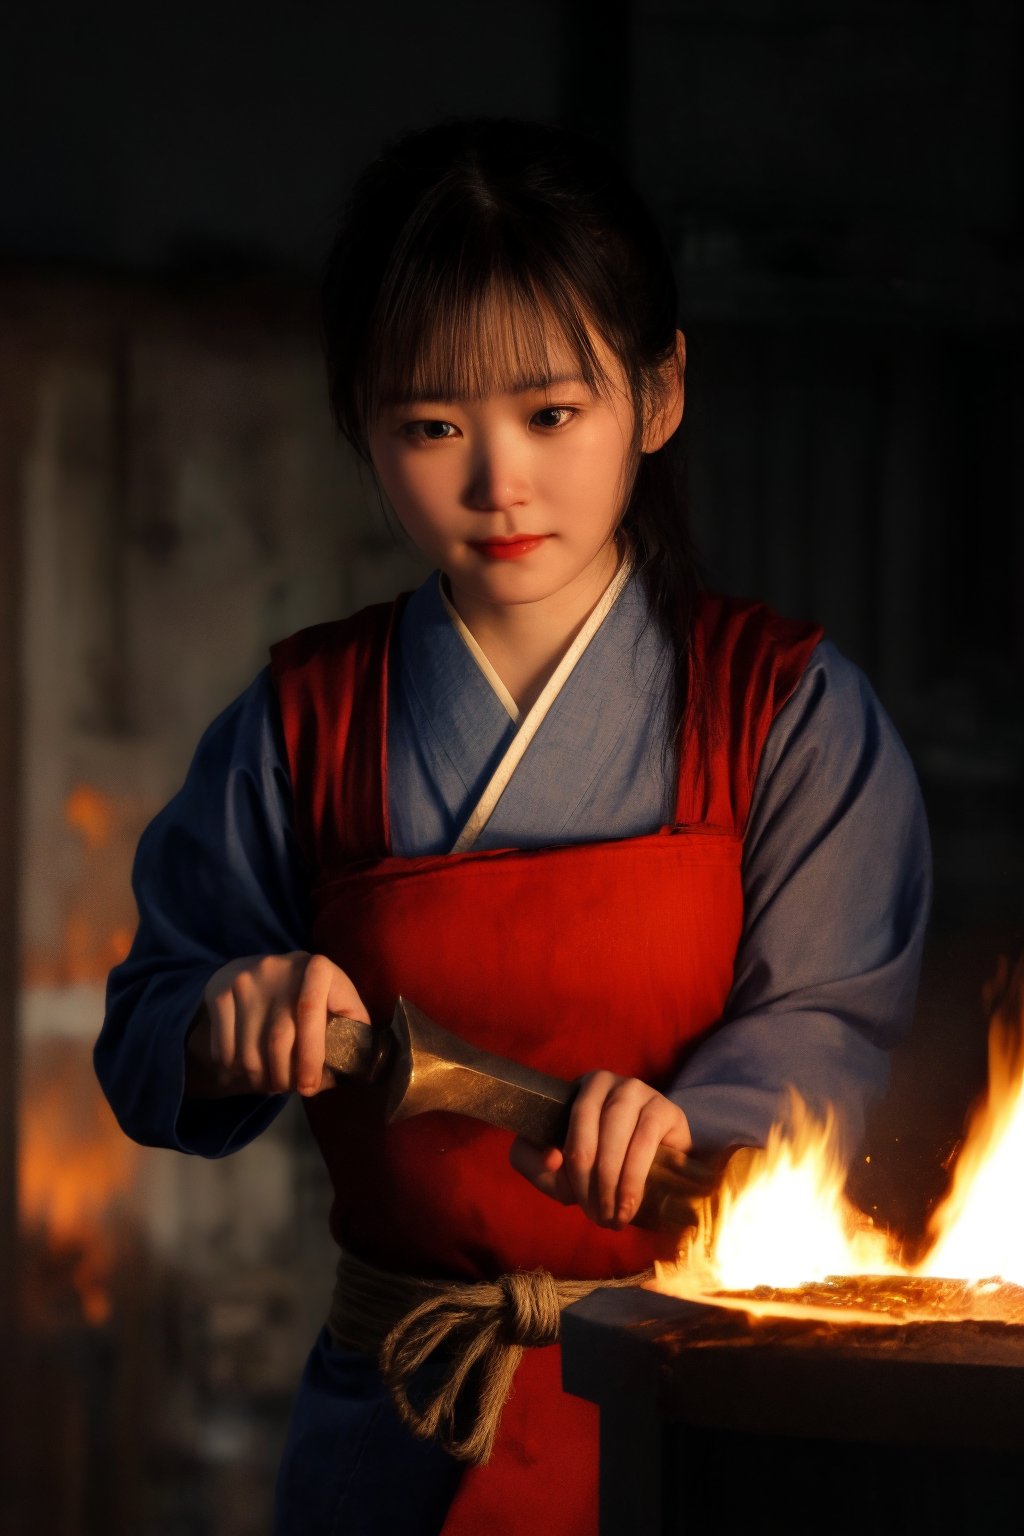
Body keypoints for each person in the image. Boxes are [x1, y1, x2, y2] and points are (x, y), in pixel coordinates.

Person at [95, 116, 931, 1535]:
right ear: (362, 424)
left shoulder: (785, 709)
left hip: (703, 1413)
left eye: (553, 413)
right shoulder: (303, 721)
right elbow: (146, 1021)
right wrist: (227, 1015)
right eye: (431, 426)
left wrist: (689, 1122)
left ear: (658, 394)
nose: (499, 483)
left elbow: (835, 1028)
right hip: (398, 1420)